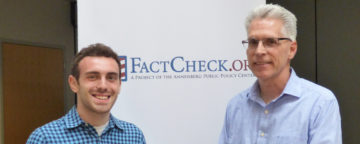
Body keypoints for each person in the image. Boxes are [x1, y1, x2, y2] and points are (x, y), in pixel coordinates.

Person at [219, 4, 342, 144]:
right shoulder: (236, 106)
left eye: (270, 42)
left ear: (292, 49)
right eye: (253, 42)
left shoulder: (320, 104)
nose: (259, 51)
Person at [27, 43, 146, 143]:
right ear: (74, 83)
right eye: (93, 77)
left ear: (119, 85)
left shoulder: (134, 136)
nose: (103, 86)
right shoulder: (45, 138)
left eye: (111, 78)